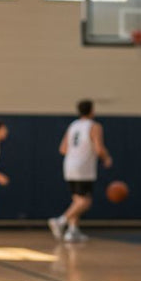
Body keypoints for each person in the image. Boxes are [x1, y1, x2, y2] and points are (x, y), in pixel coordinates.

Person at [48, 100, 112, 242]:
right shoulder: (94, 126)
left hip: (69, 165)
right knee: (85, 202)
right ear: (92, 111)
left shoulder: (73, 126)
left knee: (77, 200)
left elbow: (62, 149)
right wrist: (106, 158)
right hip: (83, 167)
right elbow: (98, 148)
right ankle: (60, 221)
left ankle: (72, 231)